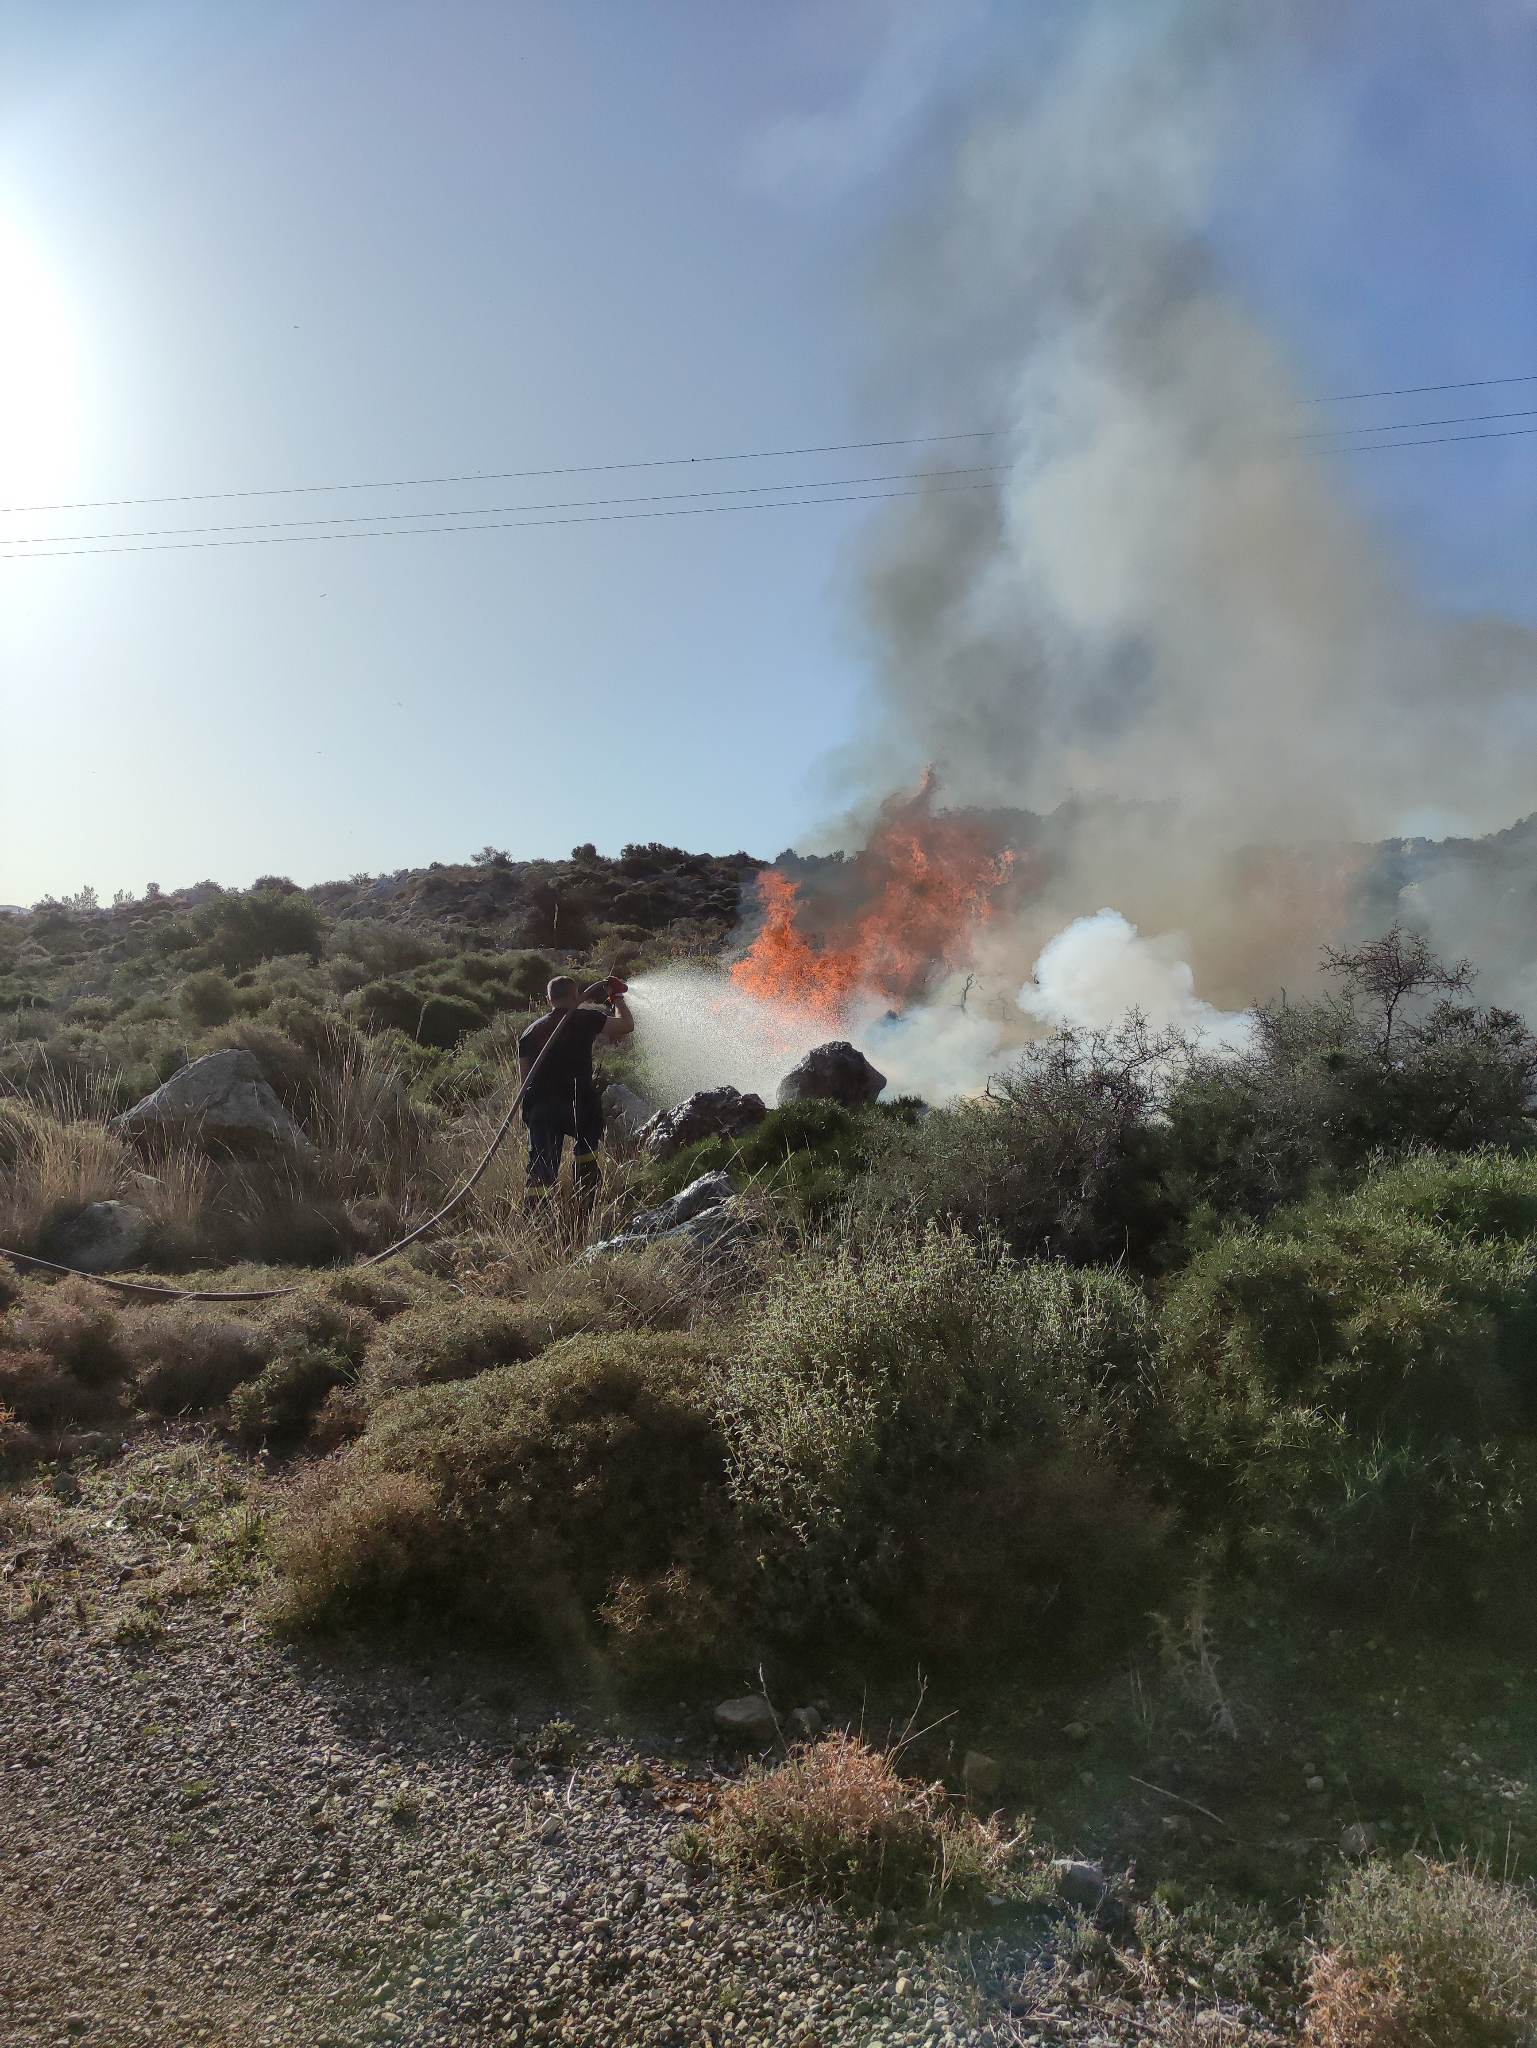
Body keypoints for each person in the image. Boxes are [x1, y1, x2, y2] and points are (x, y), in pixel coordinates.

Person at [518, 975, 633, 1197]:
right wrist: (616, 997)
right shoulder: (585, 1019)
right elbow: (626, 1025)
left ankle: (537, 1221)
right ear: (575, 995)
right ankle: (585, 1205)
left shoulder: (529, 1032)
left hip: (542, 1108)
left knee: (541, 1170)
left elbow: (525, 1082)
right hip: (579, 1104)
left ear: (550, 999)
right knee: (586, 1157)